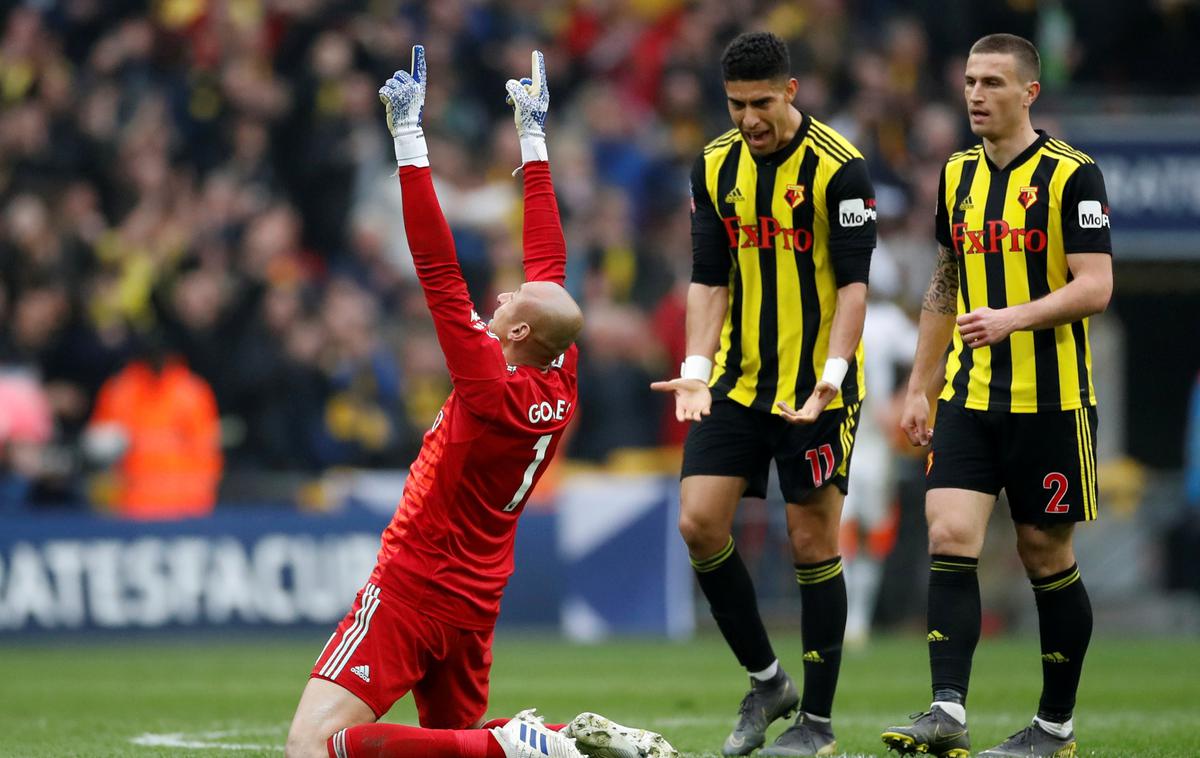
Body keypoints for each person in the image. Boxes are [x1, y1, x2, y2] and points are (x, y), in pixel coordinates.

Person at [284, 47, 675, 758]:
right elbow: (549, 261)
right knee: (450, 746)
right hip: (477, 594)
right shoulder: (561, 369)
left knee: (314, 746)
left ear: (520, 330)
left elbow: (436, 265)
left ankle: (515, 747)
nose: (500, 295)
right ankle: (554, 740)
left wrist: (408, 139)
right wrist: (533, 138)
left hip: (415, 582)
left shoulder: (487, 382)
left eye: (511, 300)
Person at [880, 33, 1113, 758]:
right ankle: (946, 709)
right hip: (970, 398)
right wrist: (920, 385)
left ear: (1029, 93)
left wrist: (1013, 316)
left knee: (1045, 553)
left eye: (992, 83)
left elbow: (1097, 286)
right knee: (949, 534)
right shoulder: (955, 176)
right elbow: (945, 284)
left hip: (1053, 401)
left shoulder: (1074, 176)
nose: (976, 95)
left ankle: (1055, 727)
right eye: (970, 81)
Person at [651, 31, 876, 757]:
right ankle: (768, 680)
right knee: (698, 524)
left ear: (791, 92)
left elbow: (853, 288)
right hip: (740, 383)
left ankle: (817, 723)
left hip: (817, 386)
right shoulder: (713, 166)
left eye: (760, 103)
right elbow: (709, 278)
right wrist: (695, 363)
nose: (748, 118)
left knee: (812, 540)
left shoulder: (841, 171)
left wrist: (831, 381)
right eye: (736, 104)